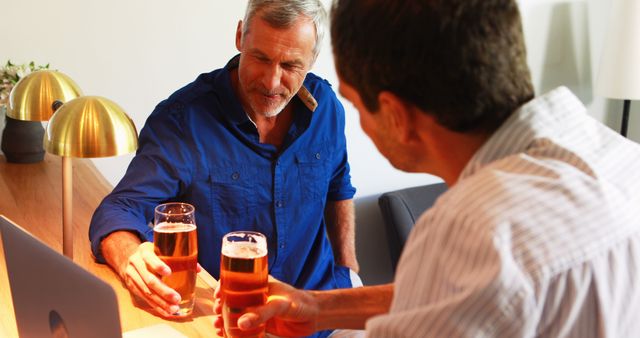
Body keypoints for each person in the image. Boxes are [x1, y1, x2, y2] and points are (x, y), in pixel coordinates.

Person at [213, 0, 640, 337]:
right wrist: (320, 307)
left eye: (356, 102)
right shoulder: (621, 157)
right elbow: (467, 295)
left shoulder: (467, 230)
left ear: (396, 115)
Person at [89, 0, 360, 331]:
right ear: (239, 38)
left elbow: (338, 186)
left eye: (290, 66)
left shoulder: (326, 108)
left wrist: (349, 268)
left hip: (327, 307)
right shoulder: (182, 120)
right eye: (261, 58)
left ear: (312, 60)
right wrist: (130, 256)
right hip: (229, 322)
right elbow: (120, 207)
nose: (272, 82)